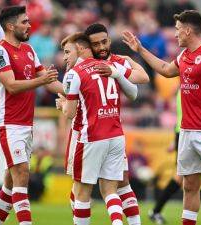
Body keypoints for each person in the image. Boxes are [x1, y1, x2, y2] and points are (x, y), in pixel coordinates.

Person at [122, 10, 201, 225]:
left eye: (177, 30)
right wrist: (140, 50)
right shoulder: (184, 55)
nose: (175, 34)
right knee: (189, 185)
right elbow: (166, 70)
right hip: (186, 132)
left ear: (188, 30)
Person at [65, 23, 149, 225]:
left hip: (90, 132)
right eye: (97, 44)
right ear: (89, 46)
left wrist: (119, 71)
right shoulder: (104, 64)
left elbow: (135, 91)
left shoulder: (112, 63)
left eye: (104, 42)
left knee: (92, 187)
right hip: (104, 132)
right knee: (101, 187)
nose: (102, 47)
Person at [0, 6, 63, 225]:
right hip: (7, 123)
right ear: (11, 26)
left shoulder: (29, 50)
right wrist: (43, 80)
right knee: (22, 174)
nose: (30, 25)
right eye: (25, 22)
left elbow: (49, 82)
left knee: (10, 182)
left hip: (25, 124)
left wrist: (74, 93)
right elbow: (11, 86)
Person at [149, 89, 201, 225]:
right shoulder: (190, 88)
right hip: (189, 132)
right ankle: (155, 211)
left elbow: (181, 113)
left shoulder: (184, 88)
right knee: (182, 177)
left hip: (184, 132)